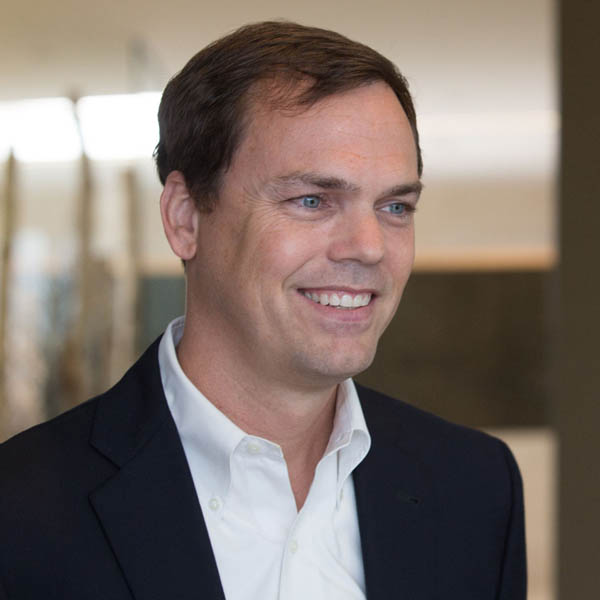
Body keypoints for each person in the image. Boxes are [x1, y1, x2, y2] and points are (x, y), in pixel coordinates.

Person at [0, 21, 526, 600]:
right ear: (184, 218)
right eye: (312, 200)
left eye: (395, 207)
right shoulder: (21, 512)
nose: (370, 247)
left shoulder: (476, 490)